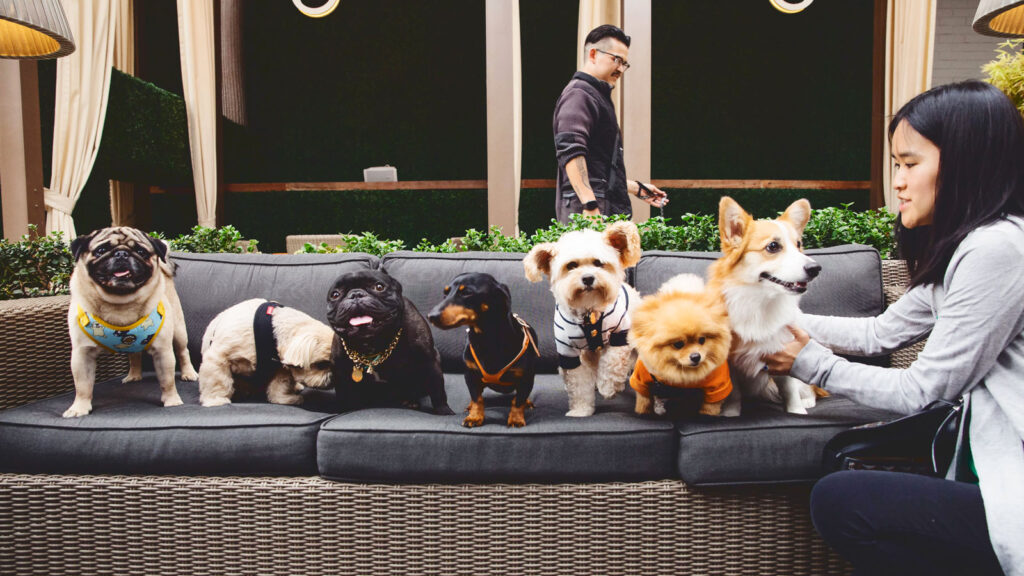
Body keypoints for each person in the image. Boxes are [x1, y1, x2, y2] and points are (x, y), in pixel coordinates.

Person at [763, 80, 1024, 576]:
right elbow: (879, 334)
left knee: (843, 501)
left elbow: (923, 389)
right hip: (986, 467)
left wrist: (809, 363)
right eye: (895, 165)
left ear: (966, 162)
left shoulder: (999, 250)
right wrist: (759, 320)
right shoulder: (966, 249)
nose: (897, 181)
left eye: (910, 163)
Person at [552, 24, 668, 222]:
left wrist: (635, 188)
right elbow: (570, 150)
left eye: (625, 63)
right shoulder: (579, 95)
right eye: (617, 60)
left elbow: (600, 168)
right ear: (593, 54)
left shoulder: (595, 95)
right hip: (589, 213)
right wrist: (589, 205)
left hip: (601, 208)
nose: (621, 68)